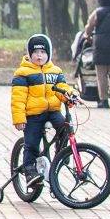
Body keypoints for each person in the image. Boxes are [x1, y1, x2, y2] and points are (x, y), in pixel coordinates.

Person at [11, 34, 77, 189]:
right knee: (32, 143)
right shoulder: (23, 73)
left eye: (43, 52)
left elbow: (62, 89)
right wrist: (19, 118)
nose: (39, 55)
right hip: (34, 114)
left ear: (49, 54)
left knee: (65, 128)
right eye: (35, 52)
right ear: (29, 54)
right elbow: (18, 98)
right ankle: (29, 170)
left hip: (53, 110)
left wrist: (70, 95)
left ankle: (61, 153)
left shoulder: (55, 71)